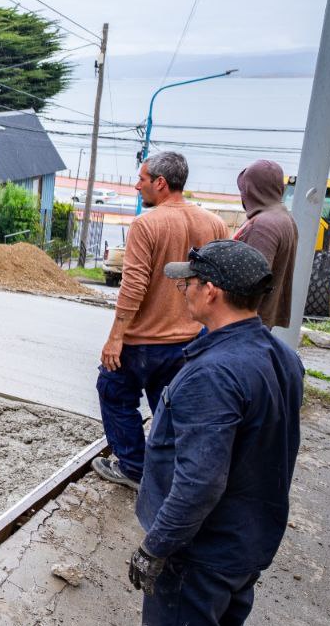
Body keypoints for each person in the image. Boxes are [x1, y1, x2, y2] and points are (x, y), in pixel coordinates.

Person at [129, 239, 303, 626]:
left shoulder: (213, 373)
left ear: (212, 291)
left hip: (201, 549)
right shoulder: (278, 355)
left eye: (189, 282)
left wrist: (155, 547)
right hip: (247, 541)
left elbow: (199, 482)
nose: (183, 289)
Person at [93, 152, 228, 491]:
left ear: (161, 183)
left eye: (142, 178)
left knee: (113, 392)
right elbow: (221, 282)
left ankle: (134, 469)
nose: (137, 185)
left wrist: (115, 337)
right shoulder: (214, 224)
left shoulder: (146, 224)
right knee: (170, 412)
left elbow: (134, 284)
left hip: (143, 341)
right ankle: (172, 476)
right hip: (191, 341)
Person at [232, 158, 297, 328]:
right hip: (258, 321)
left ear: (251, 190)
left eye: (244, 189)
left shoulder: (263, 225)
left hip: (244, 323)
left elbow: (251, 281)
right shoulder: (284, 217)